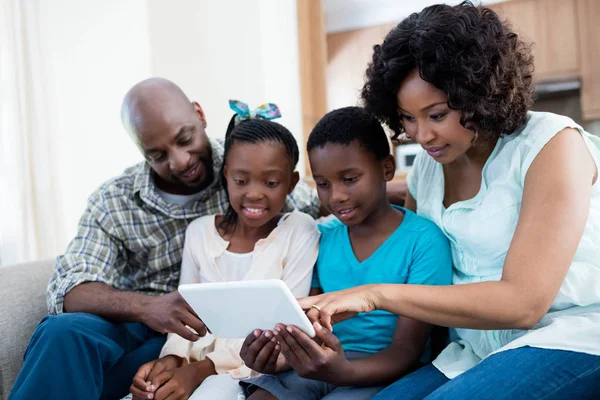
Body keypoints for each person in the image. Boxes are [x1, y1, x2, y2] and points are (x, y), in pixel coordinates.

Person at [297, 2, 600, 399]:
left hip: (568, 337)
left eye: (436, 115)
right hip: (473, 351)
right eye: (407, 118)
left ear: (479, 93)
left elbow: (525, 303)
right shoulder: (427, 169)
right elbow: (401, 225)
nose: (421, 135)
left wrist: (374, 294)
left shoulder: (552, 144)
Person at [8, 80, 320, 400]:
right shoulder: (115, 200)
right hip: (135, 325)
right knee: (62, 333)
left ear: (199, 114)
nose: (180, 161)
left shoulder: (247, 163)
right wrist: (148, 307)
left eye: (184, 139)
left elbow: (323, 204)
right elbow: (69, 288)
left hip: (198, 340)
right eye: (157, 155)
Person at [239, 106, 452, 400]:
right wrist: (283, 356)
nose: (336, 196)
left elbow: (406, 351)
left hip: (385, 372)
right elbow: (307, 326)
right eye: (323, 184)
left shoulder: (424, 242)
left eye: (350, 179)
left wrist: (344, 373)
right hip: (320, 363)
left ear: (386, 168)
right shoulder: (321, 237)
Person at [128, 101, 320, 400]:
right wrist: (169, 363)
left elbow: (282, 331)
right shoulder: (199, 232)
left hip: (251, 374)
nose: (254, 193)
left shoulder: (300, 231)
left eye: (270, 182)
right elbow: (184, 313)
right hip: (191, 367)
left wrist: (200, 370)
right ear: (226, 175)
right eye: (241, 181)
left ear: (292, 183)